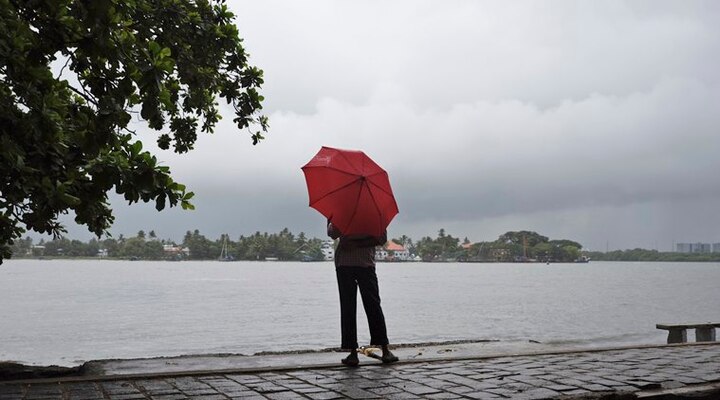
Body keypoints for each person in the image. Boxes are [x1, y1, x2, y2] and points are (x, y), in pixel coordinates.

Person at [328, 220, 399, 366]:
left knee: (349, 307)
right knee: (373, 306)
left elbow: (332, 233)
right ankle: (385, 350)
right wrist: (361, 241)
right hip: (365, 264)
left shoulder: (339, 210)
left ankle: (353, 353)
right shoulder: (373, 211)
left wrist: (352, 241)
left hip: (346, 264)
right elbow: (381, 238)